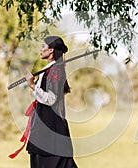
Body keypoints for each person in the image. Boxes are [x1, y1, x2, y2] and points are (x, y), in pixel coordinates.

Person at [25, 36, 78, 168]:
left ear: (51, 51)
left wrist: (32, 86)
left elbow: (51, 99)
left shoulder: (56, 71)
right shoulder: (50, 70)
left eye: (43, 47)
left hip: (51, 129)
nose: (41, 50)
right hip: (44, 126)